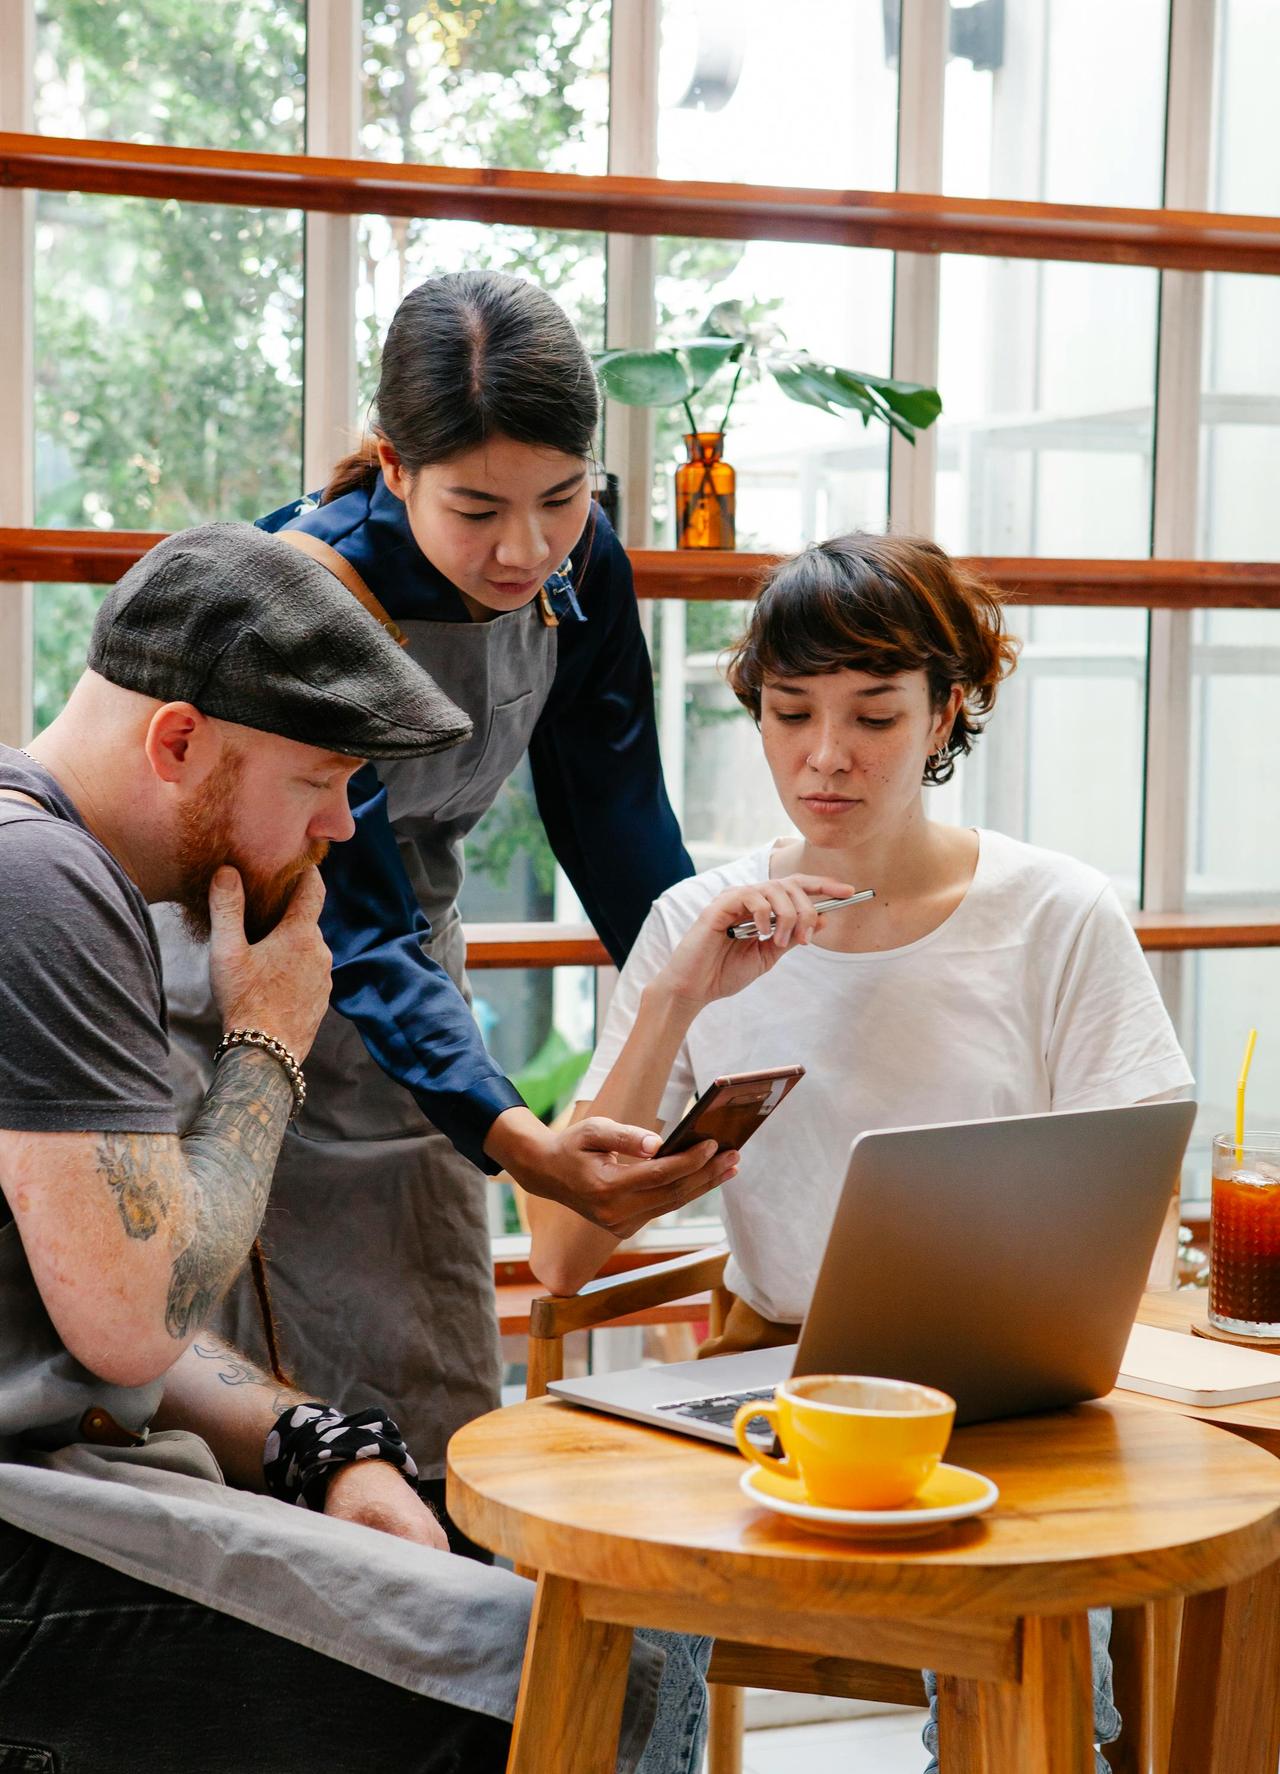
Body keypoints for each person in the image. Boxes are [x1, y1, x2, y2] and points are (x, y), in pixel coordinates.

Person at [0, 523, 707, 1773]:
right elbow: (128, 1319)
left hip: (71, 1488)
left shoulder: (57, 870)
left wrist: (311, 1443)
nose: (340, 825)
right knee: (601, 1667)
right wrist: (269, 1042)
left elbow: (76, 1304)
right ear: (178, 743)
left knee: (596, 1632)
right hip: (26, 1542)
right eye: (320, 778)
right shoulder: (39, 886)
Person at [527, 531, 1194, 1771]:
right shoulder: (694, 921)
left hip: (997, 1404)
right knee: (610, 1594)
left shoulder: (1053, 913)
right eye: (790, 713)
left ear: (947, 709)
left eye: (872, 717)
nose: (822, 756)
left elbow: (1136, 1217)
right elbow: (562, 1247)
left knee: (1035, 1653)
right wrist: (677, 994)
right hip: (763, 1391)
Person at [155, 271, 730, 1508]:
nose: (524, 548)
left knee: (434, 1384)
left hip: (416, 986)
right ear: (393, 467)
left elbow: (616, 813)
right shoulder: (310, 589)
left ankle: (455, 1663)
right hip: (252, 973)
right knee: (260, 1397)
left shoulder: (582, 571)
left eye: (561, 498)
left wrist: (710, 985)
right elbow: (345, 909)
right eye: (477, 507)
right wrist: (517, 1134)